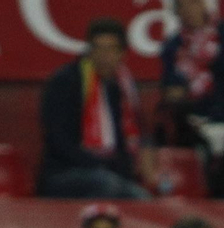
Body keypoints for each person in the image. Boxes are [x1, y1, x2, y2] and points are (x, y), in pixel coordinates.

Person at [37, 18, 153, 199]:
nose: (103, 56)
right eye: (97, 49)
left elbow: (133, 135)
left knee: (142, 198)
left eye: (110, 50)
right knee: (107, 184)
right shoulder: (65, 82)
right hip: (65, 173)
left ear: (122, 54)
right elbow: (58, 139)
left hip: (111, 174)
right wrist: (99, 164)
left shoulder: (123, 89)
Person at [157, 0, 224, 130]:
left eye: (193, 4)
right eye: (183, 7)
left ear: (203, 5)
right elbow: (169, 79)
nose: (189, 11)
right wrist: (173, 87)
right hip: (192, 113)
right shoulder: (173, 46)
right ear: (177, 12)